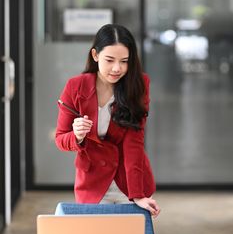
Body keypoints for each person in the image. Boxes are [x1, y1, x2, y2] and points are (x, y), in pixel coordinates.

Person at [55, 24, 160, 217]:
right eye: (110, 60)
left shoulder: (138, 85)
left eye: (124, 61)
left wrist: (137, 195)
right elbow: (61, 139)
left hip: (129, 182)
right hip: (92, 182)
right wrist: (77, 136)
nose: (117, 68)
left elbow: (133, 143)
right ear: (95, 55)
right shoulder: (75, 87)